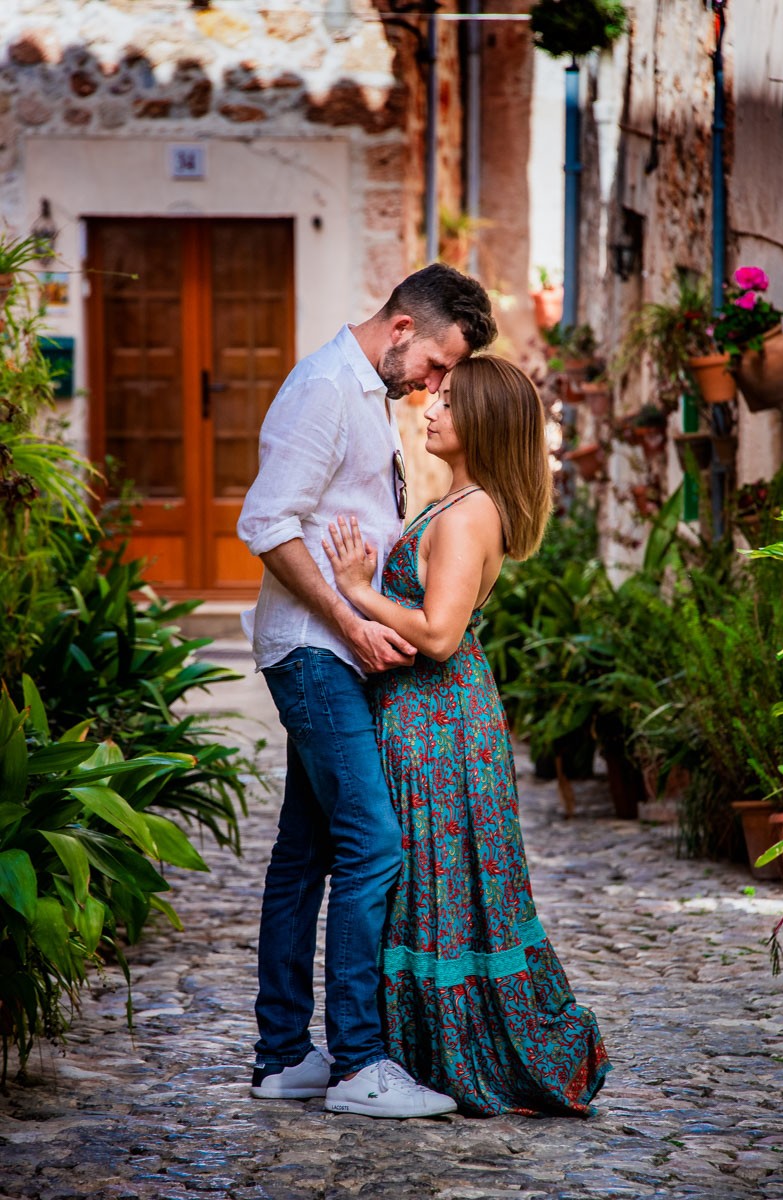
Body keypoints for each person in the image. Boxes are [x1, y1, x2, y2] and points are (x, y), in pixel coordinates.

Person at [236, 263, 497, 1119]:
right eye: (434, 365)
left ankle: (283, 1057)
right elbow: (266, 523)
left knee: (305, 856)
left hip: (336, 652)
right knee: (374, 845)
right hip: (317, 652)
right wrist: (350, 623)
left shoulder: (366, 396)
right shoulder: (322, 390)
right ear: (400, 330)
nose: (432, 386)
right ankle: (357, 1063)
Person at [323, 354, 612, 1116]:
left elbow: (440, 633)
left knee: (434, 876)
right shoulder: (452, 501)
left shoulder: (468, 511)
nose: (429, 408)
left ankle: (449, 1050)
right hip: (429, 714)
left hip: (438, 717)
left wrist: (357, 593)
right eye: (433, 396)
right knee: (428, 877)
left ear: (482, 418)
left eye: (447, 401)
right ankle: (404, 1046)